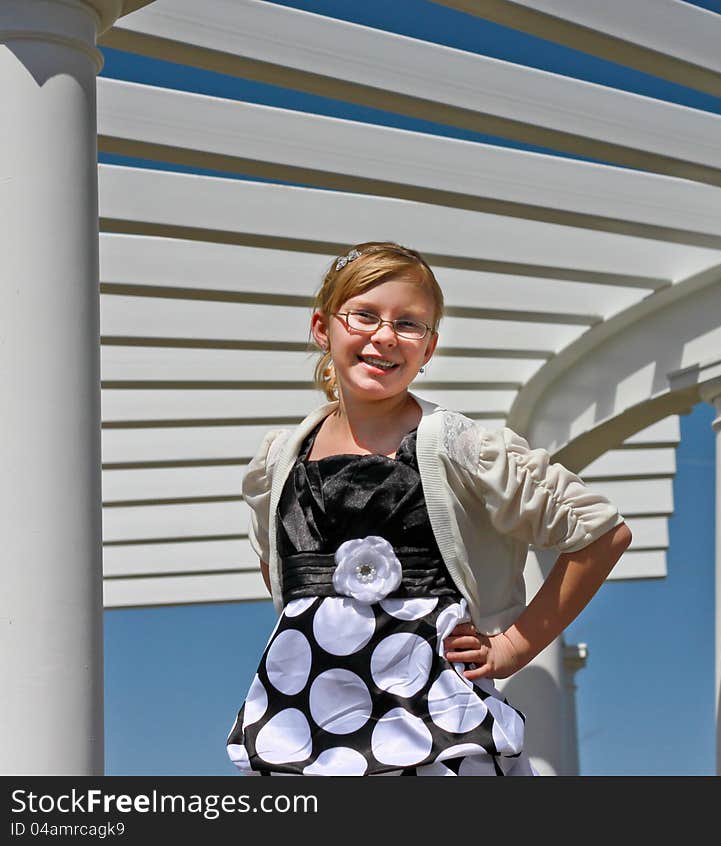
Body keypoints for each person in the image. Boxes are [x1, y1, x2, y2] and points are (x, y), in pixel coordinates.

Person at [226, 241, 632, 776]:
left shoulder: (458, 446)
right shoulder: (279, 461)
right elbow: (278, 570)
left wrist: (512, 645)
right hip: (305, 717)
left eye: (409, 324)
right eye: (364, 315)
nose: (385, 336)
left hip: (435, 714)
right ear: (324, 328)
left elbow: (602, 535)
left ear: (430, 347)